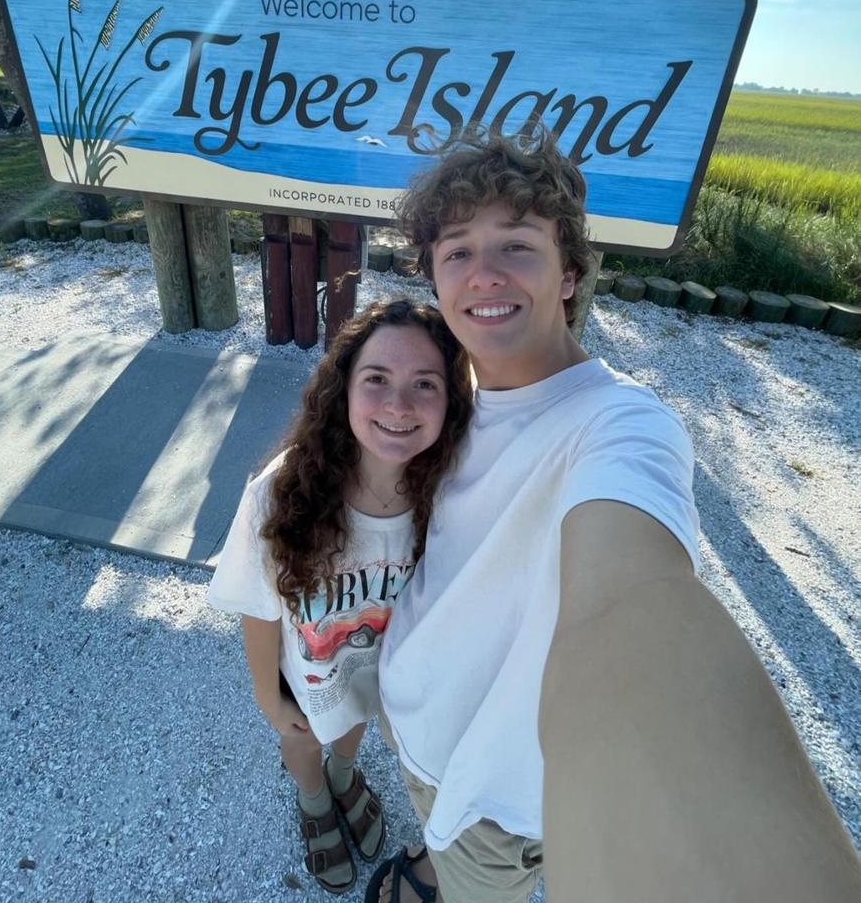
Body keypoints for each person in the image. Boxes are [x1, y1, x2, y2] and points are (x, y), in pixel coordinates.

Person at [367, 131, 861, 903]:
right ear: (432, 276)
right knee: (434, 835)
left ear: (569, 274)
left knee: (467, 877)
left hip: (495, 789)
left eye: (516, 246)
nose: (483, 273)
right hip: (414, 715)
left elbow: (628, 599)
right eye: (456, 250)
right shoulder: (446, 394)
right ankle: (426, 864)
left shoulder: (622, 426)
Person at [207, 299, 472, 895]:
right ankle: (313, 799)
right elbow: (257, 601)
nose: (398, 405)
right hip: (307, 674)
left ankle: (345, 775)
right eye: (376, 378)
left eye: (424, 384)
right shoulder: (281, 493)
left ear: (450, 401)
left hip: (382, 675)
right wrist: (266, 696)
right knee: (302, 736)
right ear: (342, 387)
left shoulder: (451, 495)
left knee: (353, 720)